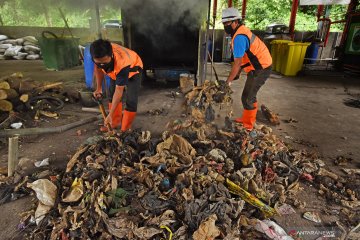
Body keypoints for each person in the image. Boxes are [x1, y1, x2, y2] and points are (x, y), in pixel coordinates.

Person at [222, 7, 272, 130]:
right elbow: (243, 58)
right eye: (224, 23)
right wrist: (236, 75)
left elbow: (237, 63)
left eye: (227, 23)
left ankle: (248, 125)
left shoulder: (239, 37)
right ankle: (246, 119)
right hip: (258, 66)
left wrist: (228, 81)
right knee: (248, 95)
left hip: (261, 68)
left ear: (236, 22)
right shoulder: (239, 32)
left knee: (248, 96)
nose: (225, 26)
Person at [90, 39, 143, 131]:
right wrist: (98, 88)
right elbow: (98, 69)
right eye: (99, 62)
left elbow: (119, 91)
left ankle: (124, 130)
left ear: (111, 55)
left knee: (131, 100)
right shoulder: (97, 54)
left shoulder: (122, 63)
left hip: (134, 69)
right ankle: (113, 123)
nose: (102, 64)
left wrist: (109, 114)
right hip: (115, 69)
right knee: (111, 94)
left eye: (104, 62)